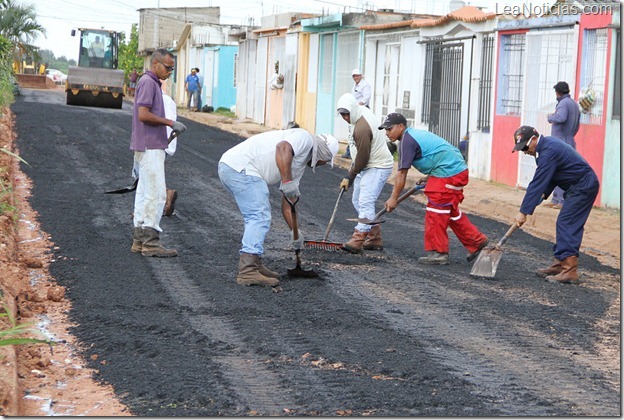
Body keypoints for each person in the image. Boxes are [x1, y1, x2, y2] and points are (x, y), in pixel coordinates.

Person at [218, 129, 339, 287]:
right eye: (325, 161)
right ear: (323, 154)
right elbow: (282, 147)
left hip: (236, 168)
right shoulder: (304, 138)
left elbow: (289, 203)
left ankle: (255, 264)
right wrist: (287, 182)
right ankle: (248, 270)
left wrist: (295, 231)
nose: (322, 165)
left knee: (258, 215)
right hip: (240, 168)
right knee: (259, 216)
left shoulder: (299, 164)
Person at [382, 113, 489, 265]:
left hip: (450, 173)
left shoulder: (407, 140)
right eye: (385, 130)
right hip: (451, 170)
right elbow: (436, 154)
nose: (387, 133)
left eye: (389, 129)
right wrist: (430, 176)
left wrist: (393, 198)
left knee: (436, 212)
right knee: (449, 211)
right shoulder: (410, 136)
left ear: (401, 127)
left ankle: (438, 253)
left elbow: (402, 174)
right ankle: (476, 241)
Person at [511, 125, 599, 285]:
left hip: (583, 186)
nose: (524, 151)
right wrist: (542, 196)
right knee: (564, 222)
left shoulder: (548, 152)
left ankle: (570, 270)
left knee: (567, 222)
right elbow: (550, 178)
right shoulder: (546, 147)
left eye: (524, 147)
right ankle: (560, 264)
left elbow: (537, 182)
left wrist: (523, 211)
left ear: (534, 139)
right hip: (578, 186)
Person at [130, 48, 186, 258]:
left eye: (172, 68)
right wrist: (170, 123)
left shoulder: (151, 83)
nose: (170, 72)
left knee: (144, 193)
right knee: (156, 194)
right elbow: (143, 114)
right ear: (155, 64)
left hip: (147, 145)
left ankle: (139, 239)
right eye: (167, 67)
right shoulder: (148, 82)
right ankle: (151, 244)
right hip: (150, 146)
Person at [336, 93, 394, 253]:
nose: (345, 118)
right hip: (367, 165)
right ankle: (374, 238)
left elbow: (363, 157)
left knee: (365, 201)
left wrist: (350, 176)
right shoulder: (357, 113)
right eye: (342, 115)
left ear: (353, 110)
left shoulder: (362, 127)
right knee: (357, 200)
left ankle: (358, 239)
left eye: (346, 114)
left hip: (377, 166)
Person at [545, 81, 581, 209]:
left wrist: (550, 117)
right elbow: (577, 124)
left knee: (560, 171)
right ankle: (556, 199)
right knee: (560, 170)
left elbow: (560, 118)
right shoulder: (574, 104)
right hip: (569, 140)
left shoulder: (563, 103)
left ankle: (560, 200)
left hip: (561, 141)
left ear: (557, 92)